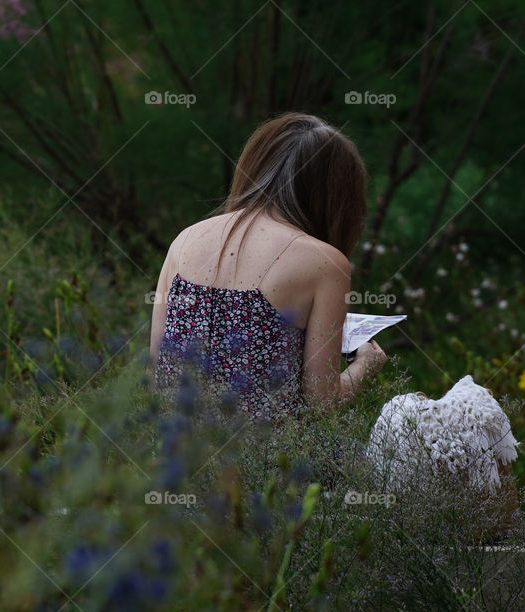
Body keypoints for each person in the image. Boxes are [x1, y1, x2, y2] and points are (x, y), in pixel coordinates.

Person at [149, 112, 387, 422]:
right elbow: (322, 402)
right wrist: (365, 364)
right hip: (271, 465)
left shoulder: (184, 240)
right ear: (336, 197)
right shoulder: (326, 263)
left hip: (176, 454)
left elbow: (156, 372)